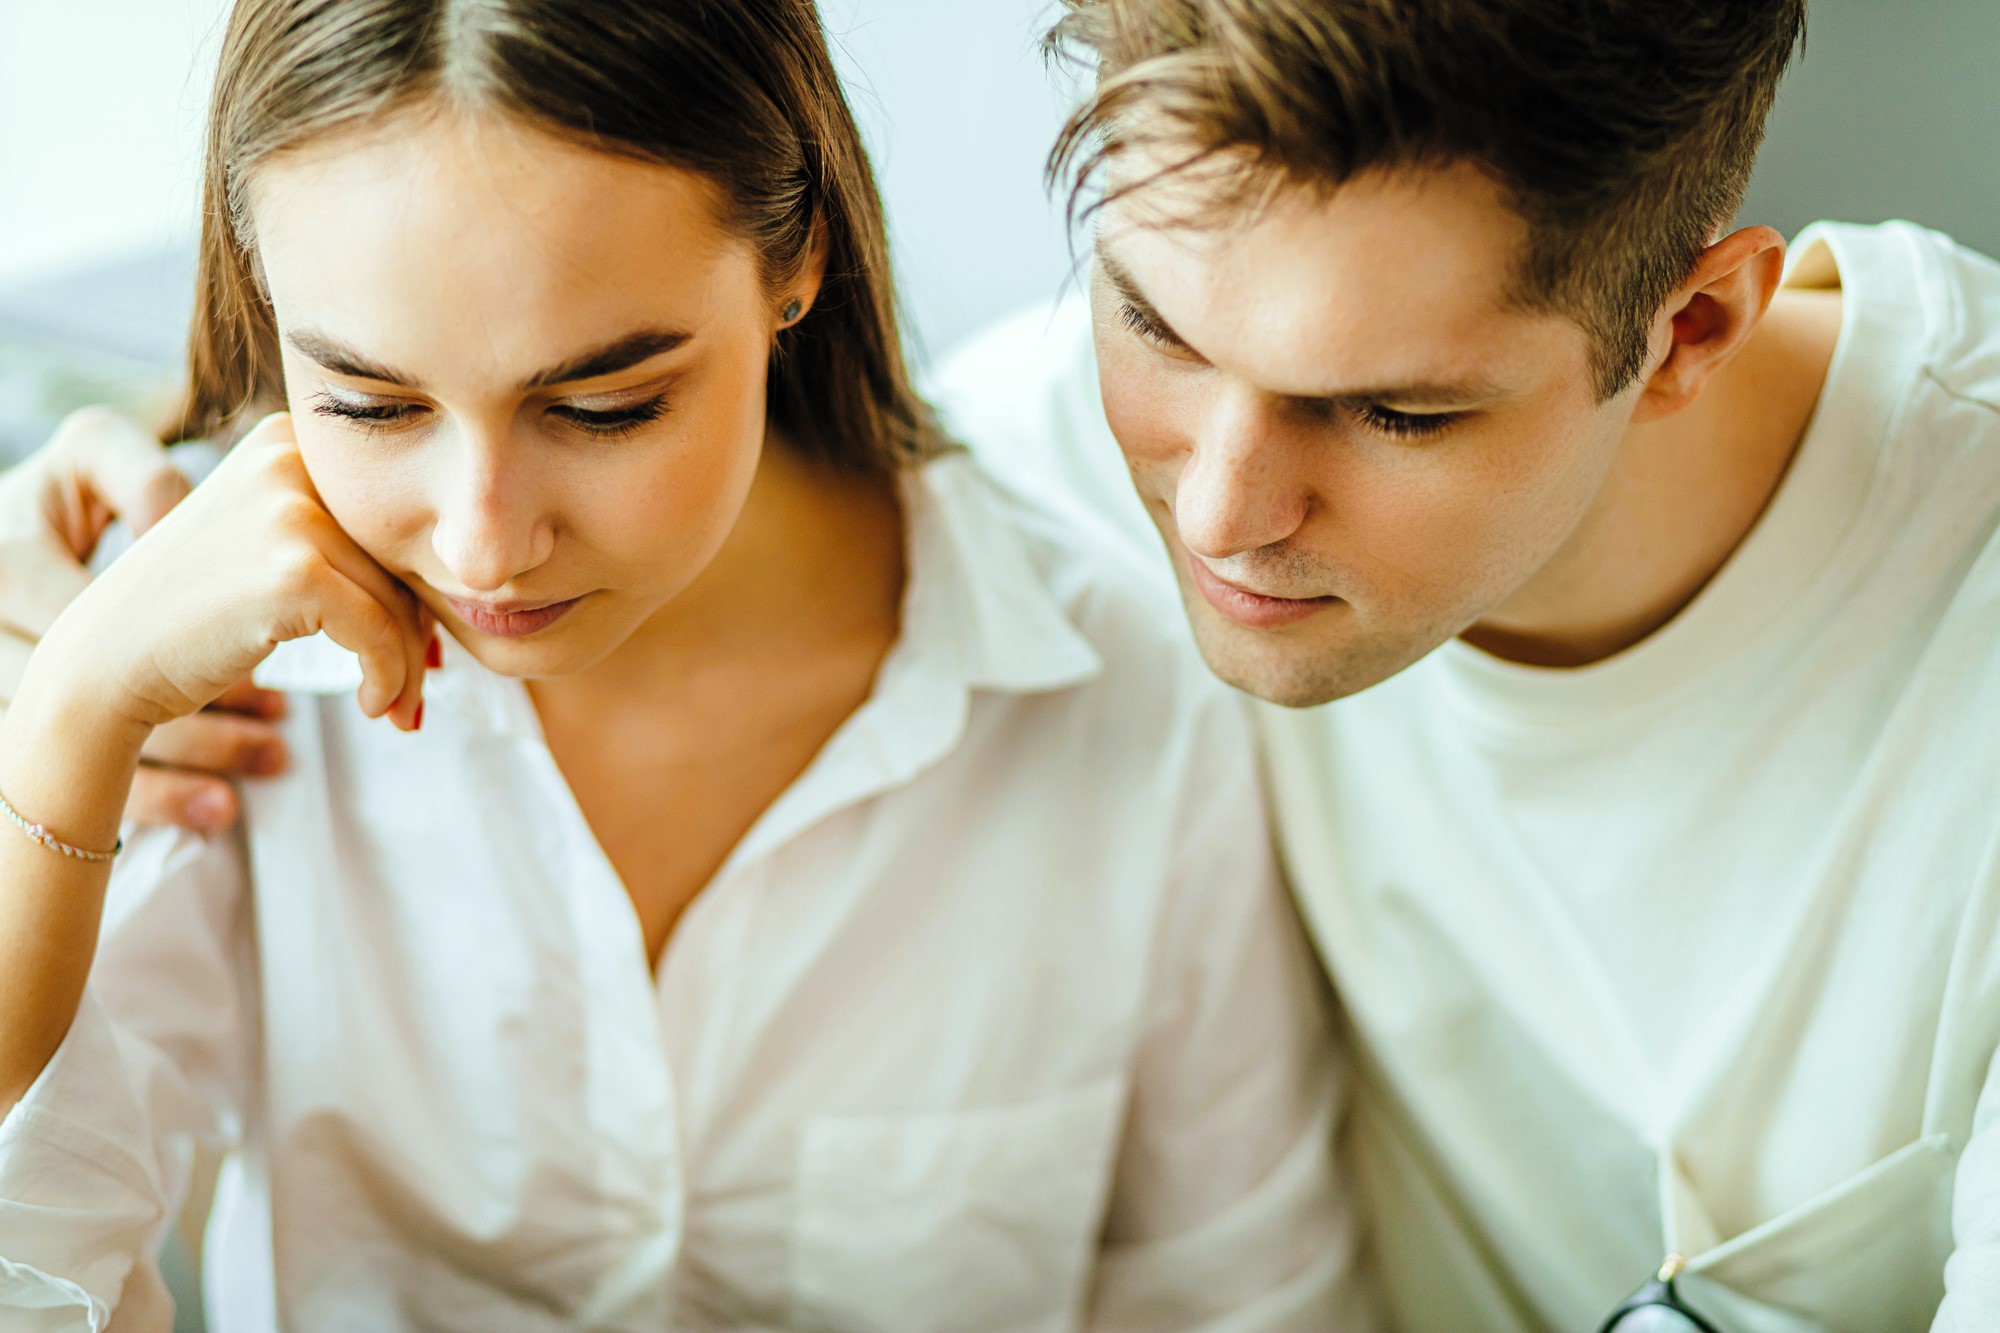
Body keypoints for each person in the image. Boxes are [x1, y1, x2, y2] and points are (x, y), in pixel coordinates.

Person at [0, 1, 1368, 1329]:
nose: (485, 542)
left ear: (798, 260)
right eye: (369, 401)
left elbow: (1244, 1299)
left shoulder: (1116, 700)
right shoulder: (196, 692)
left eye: (604, 406)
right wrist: (67, 717)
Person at [925, 1, 2000, 1330]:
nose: (1218, 513)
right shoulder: (1025, 484)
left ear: (1694, 330)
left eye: (1393, 412)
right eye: (1155, 327)